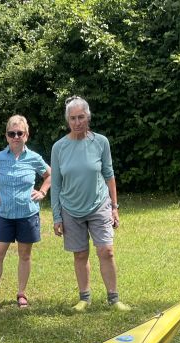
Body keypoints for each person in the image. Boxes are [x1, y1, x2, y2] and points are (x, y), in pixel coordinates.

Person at [50, 97, 128, 312]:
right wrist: (57, 216)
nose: (77, 122)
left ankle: (114, 299)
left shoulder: (101, 142)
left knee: (107, 251)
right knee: (80, 254)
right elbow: (55, 184)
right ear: (68, 120)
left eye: (81, 117)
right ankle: (84, 298)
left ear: (88, 117)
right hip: (70, 209)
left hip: (99, 205)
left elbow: (109, 175)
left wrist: (114, 207)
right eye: (73, 118)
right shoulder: (59, 148)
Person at [0, 115, 51, 312]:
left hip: (28, 214)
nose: (16, 137)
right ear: (6, 136)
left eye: (20, 133)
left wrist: (43, 191)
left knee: (24, 255)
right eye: (12, 133)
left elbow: (50, 175)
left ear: (26, 135)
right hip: (4, 215)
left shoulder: (34, 158)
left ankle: (21, 293)